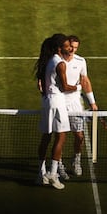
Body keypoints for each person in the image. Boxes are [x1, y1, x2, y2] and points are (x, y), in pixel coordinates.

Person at [34, 34, 81, 189]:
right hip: (57, 101)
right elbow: (65, 87)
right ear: (60, 48)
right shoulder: (61, 64)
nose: (70, 48)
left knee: (46, 137)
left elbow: (41, 85)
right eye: (67, 46)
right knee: (61, 136)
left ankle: (41, 174)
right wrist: (78, 87)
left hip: (47, 101)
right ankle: (53, 174)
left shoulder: (49, 60)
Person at [58, 35, 98, 179]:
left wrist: (92, 102)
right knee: (60, 137)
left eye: (75, 48)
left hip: (75, 104)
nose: (72, 50)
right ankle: (59, 164)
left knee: (79, 136)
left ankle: (76, 159)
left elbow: (85, 81)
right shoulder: (57, 61)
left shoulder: (81, 61)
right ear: (66, 46)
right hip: (60, 102)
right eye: (71, 47)